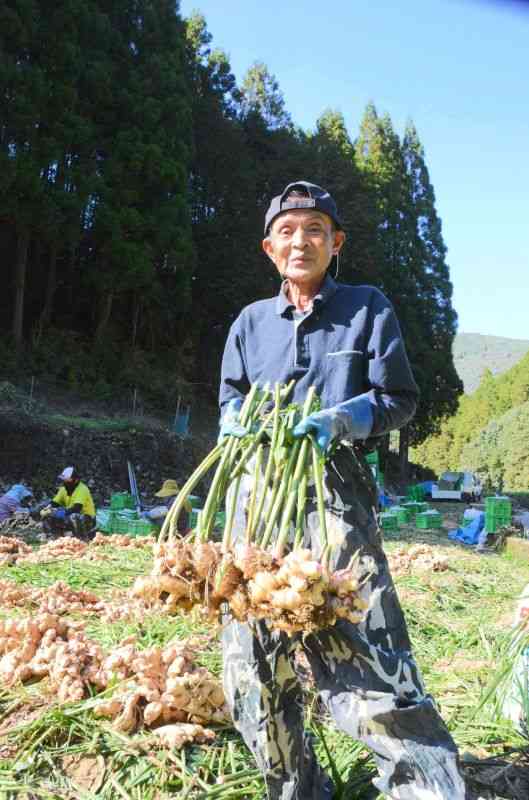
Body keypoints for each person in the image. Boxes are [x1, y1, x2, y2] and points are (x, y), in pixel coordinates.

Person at [218, 181, 471, 799]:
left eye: (314, 230)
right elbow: (230, 394)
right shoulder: (251, 323)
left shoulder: (366, 307)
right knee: (252, 665)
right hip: (257, 503)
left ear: (336, 242)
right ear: (269, 248)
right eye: (287, 231)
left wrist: (342, 419)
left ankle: (423, 787)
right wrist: (232, 420)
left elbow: (399, 398)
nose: (299, 241)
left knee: (371, 653)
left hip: (333, 499)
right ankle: (297, 787)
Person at [43, 466, 96, 539]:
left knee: (74, 516)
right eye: (64, 480)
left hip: (87, 519)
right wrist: (47, 509)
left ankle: (82, 540)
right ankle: (54, 539)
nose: (65, 482)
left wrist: (62, 512)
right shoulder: (64, 489)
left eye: (68, 480)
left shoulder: (82, 489)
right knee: (48, 516)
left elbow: (77, 508)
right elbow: (54, 503)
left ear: (76, 480)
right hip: (70, 517)